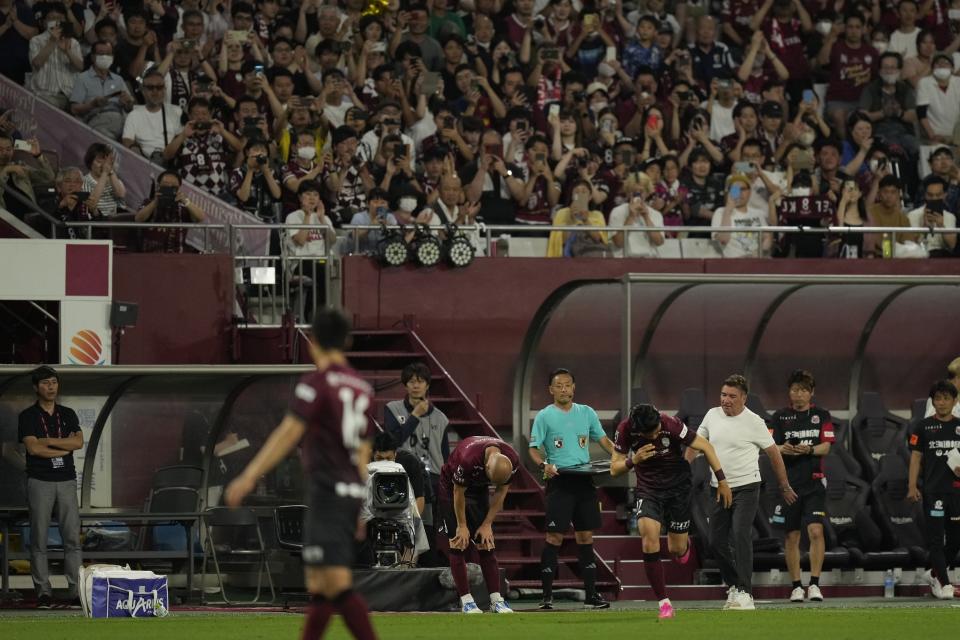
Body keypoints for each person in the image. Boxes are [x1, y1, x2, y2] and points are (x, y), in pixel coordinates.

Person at [225, 309, 378, 640]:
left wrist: (249, 476)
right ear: (347, 341)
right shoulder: (364, 390)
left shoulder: (316, 383)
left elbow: (288, 432)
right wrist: (361, 505)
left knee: (335, 583)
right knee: (319, 584)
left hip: (328, 490)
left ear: (314, 343)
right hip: (348, 492)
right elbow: (364, 452)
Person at [610, 404, 733, 619]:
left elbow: (706, 446)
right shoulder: (625, 429)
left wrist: (722, 480)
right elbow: (614, 469)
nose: (658, 434)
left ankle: (684, 547)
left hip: (678, 489)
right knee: (648, 538)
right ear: (638, 430)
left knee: (676, 549)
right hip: (648, 490)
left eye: (658, 429)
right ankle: (664, 603)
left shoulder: (670, 424)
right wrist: (633, 460)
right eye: (653, 433)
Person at [687, 374, 797, 611]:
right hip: (718, 488)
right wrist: (681, 472)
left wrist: (784, 485)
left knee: (739, 534)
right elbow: (695, 444)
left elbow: (774, 455)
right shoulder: (711, 415)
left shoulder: (754, 422)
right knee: (715, 541)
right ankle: (735, 585)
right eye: (723, 395)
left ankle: (746, 593)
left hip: (747, 487)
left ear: (744, 398)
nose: (726, 400)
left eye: (732, 396)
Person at [529, 367, 615, 610]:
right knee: (554, 537)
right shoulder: (545, 416)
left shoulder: (586, 413)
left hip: (584, 480)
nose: (564, 389)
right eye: (559, 385)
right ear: (551, 390)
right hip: (560, 482)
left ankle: (591, 596)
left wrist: (621, 458)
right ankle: (546, 597)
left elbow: (604, 440)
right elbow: (533, 449)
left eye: (567, 385)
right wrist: (544, 465)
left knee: (586, 536)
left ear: (574, 387)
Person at [17, 366, 83, 609]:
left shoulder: (67, 413)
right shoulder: (28, 416)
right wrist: (63, 447)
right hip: (39, 481)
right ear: (36, 387)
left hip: (66, 481)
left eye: (54, 382)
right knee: (39, 539)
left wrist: (49, 441)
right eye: (45, 383)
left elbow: (78, 442)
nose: (51, 387)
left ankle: (76, 591)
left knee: (72, 539)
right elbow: (33, 449)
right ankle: (43, 593)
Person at [767, 370, 835, 603]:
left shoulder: (821, 415)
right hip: (789, 485)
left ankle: (814, 584)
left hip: (815, 482)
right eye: (795, 390)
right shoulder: (779, 417)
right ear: (789, 392)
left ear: (811, 393)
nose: (799, 394)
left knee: (816, 531)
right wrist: (782, 449)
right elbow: (770, 446)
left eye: (804, 390)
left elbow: (826, 447)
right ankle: (796, 586)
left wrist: (808, 449)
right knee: (792, 535)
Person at [439, 435, 519, 614]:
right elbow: (458, 493)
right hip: (451, 488)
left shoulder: (512, 459)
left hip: (478, 489)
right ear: (486, 466)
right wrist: (462, 525)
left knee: (486, 542)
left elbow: (500, 493)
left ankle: (496, 600)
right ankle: (466, 601)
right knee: (458, 542)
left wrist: (487, 524)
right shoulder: (468, 458)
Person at [383, 361, 450, 565]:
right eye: (411, 381)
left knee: (428, 527)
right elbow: (393, 441)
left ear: (427, 385)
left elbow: (445, 455)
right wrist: (414, 416)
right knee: (403, 524)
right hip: (402, 477)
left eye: (420, 381)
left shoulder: (441, 418)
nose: (416, 385)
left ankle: (423, 567)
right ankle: (401, 564)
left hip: (432, 479)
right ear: (405, 385)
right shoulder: (392, 409)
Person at [908, 380, 960, 600]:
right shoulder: (923, 426)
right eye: (937, 398)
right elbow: (916, 458)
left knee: (957, 540)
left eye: (946, 398)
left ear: (954, 401)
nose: (942, 403)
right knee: (936, 540)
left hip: (957, 492)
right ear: (933, 401)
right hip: (933, 492)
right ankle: (946, 584)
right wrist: (911, 486)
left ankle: (933, 573)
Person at [134, 170, 205, 253]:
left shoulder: (184, 207)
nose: (169, 188)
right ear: (158, 186)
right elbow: (138, 219)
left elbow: (200, 217)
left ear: (179, 188)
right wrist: (155, 202)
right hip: (151, 256)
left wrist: (186, 201)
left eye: (173, 186)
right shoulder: (148, 203)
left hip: (177, 257)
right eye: (166, 185)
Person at [372, 431, 425, 516]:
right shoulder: (364, 462)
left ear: (395, 454)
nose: (384, 463)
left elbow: (419, 497)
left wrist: (411, 523)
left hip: (415, 496)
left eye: (388, 458)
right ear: (373, 455)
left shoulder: (409, 462)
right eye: (379, 458)